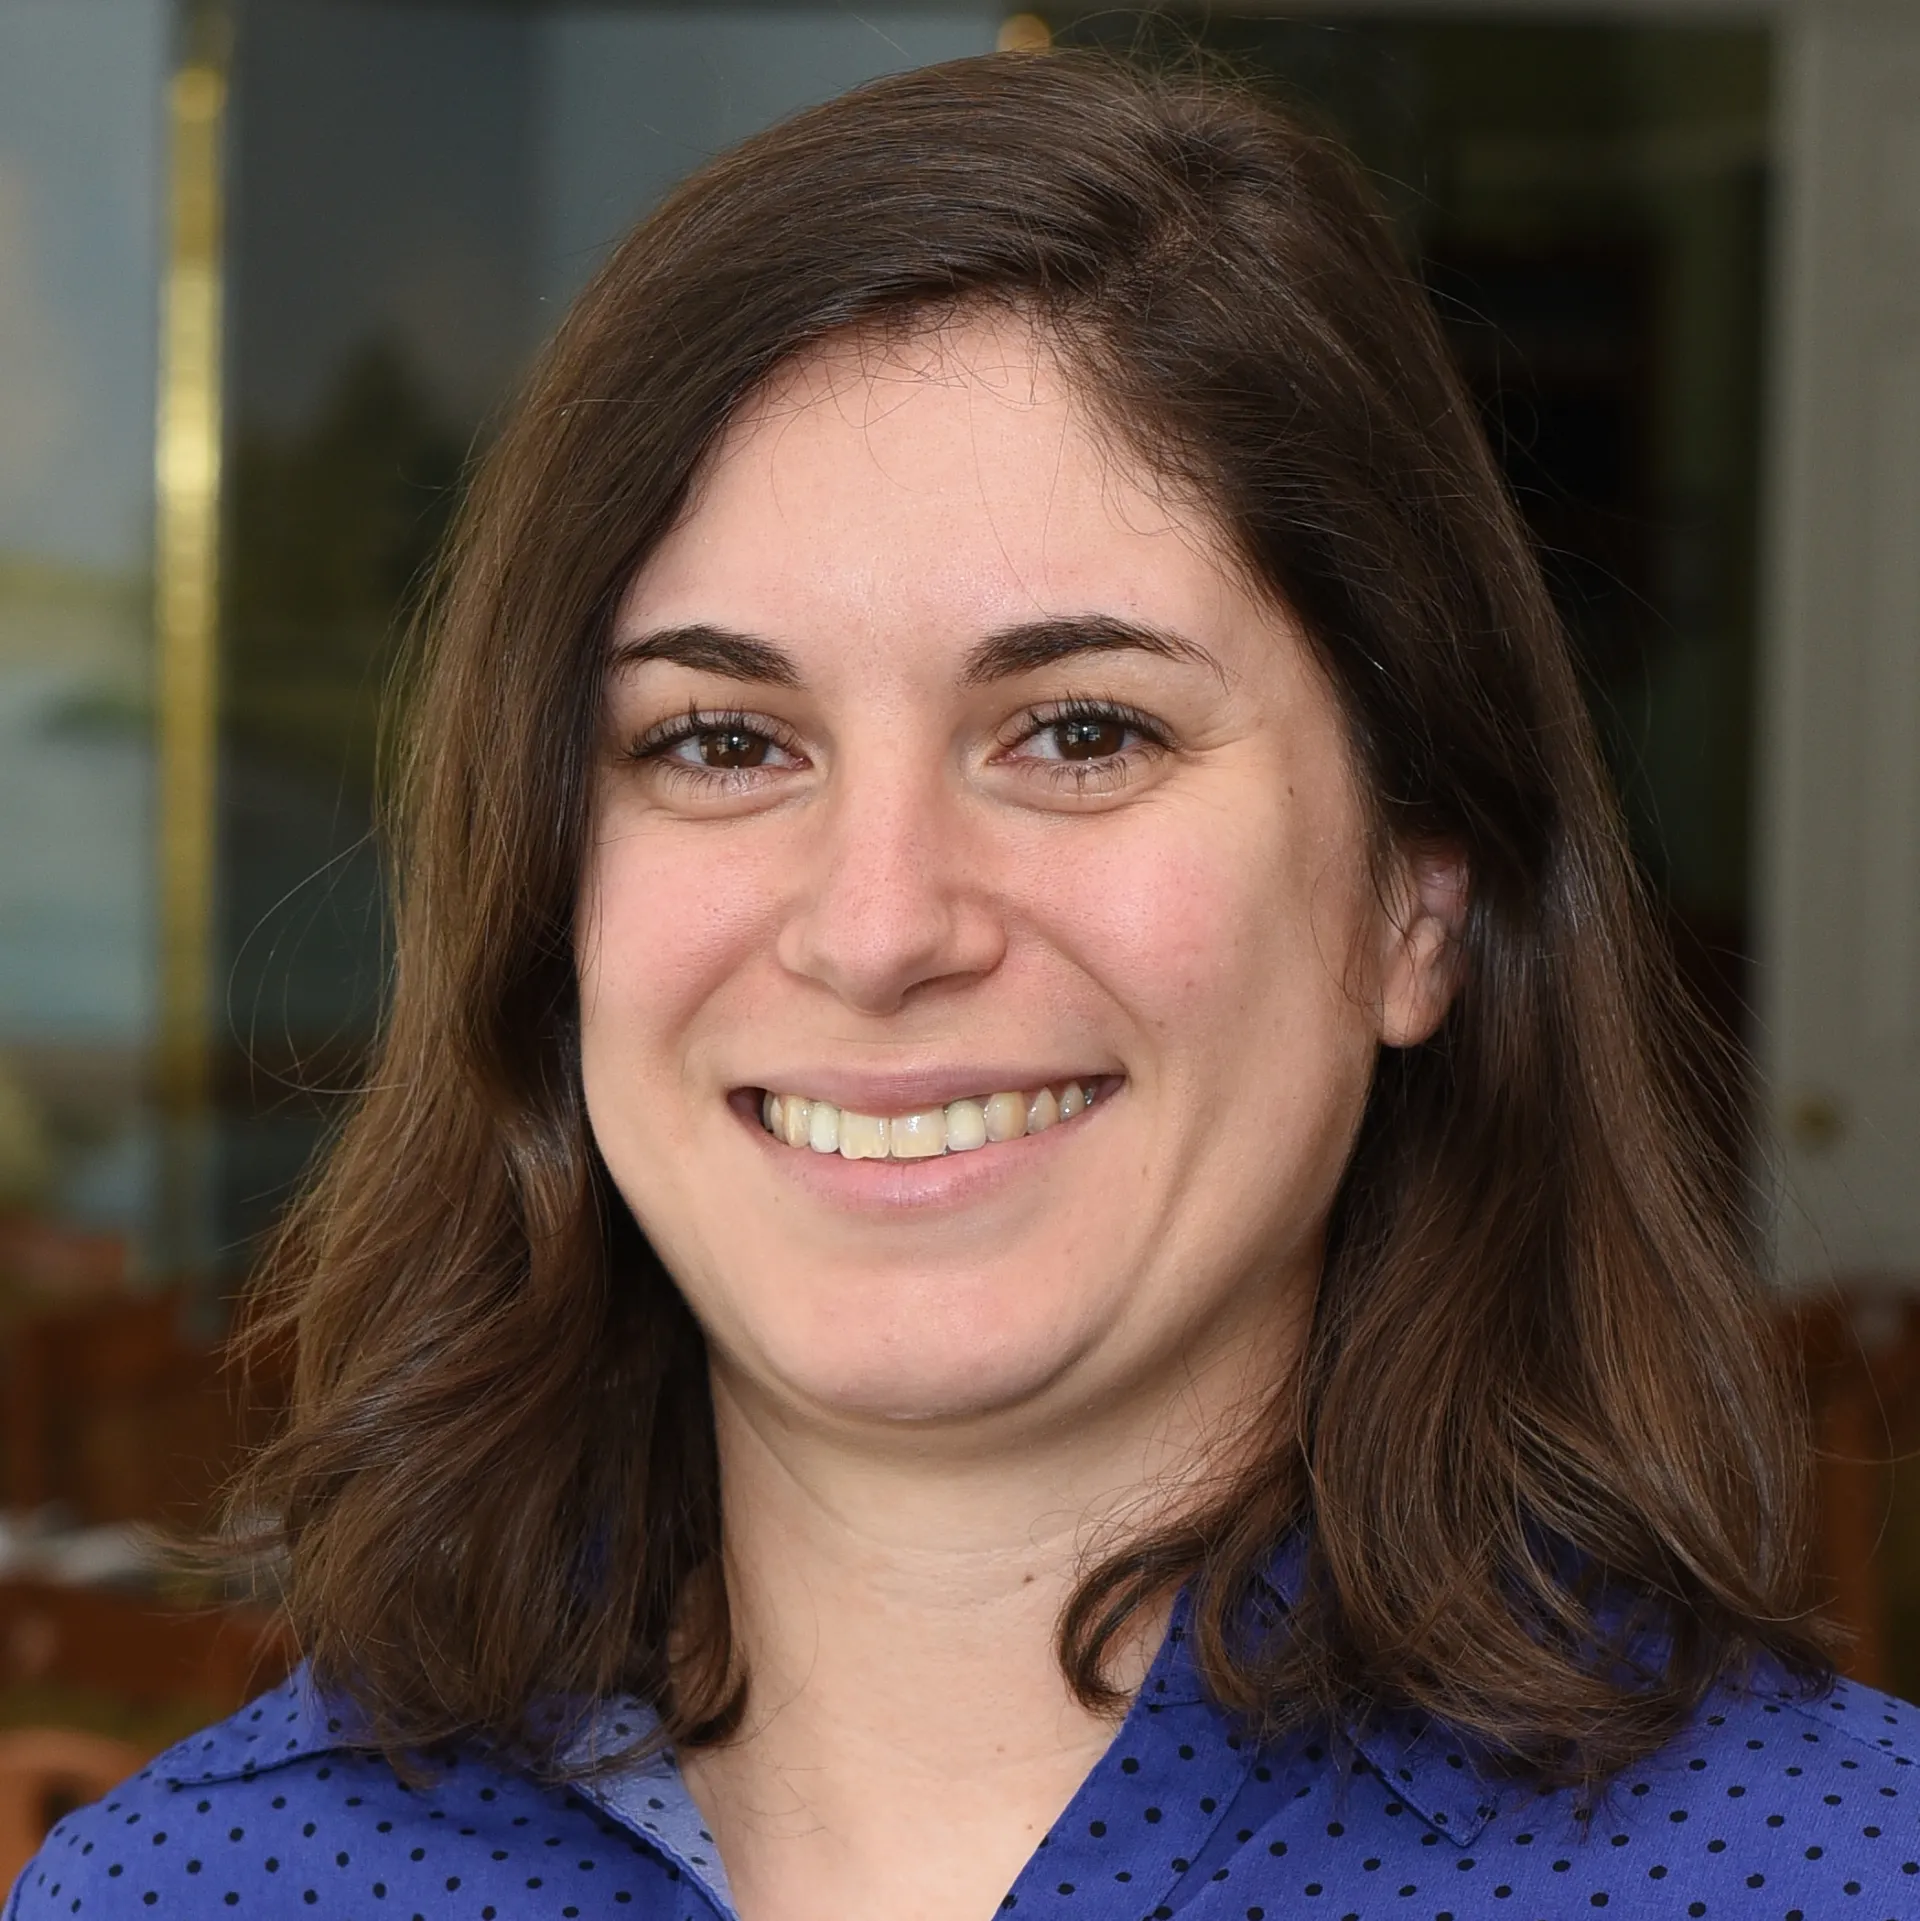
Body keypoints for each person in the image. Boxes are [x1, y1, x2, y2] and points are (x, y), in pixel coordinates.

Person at [12, 51, 1914, 1921]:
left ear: (1418, 900)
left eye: (1080, 730)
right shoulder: (192, 1890)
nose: (878, 922)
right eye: (722, 742)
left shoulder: (1832, 1875)